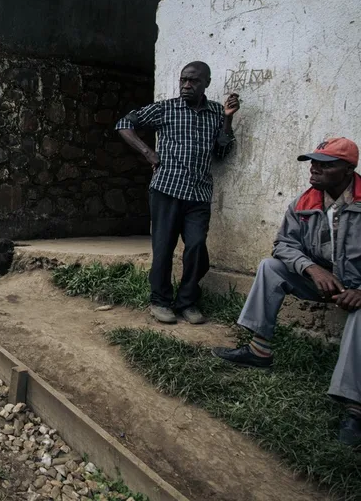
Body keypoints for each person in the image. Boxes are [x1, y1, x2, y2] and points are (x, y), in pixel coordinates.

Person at [213, 137, 361, 447]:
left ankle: (354, 407)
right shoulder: (304, 202)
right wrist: (311, 269)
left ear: (348, 169)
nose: (314, 169)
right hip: (322, 282)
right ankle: (259, 350)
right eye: (313, 162)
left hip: (357, 287)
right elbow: (284, 244)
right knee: (271, 267)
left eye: (325, 164)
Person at [116, 61, 240, 324]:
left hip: (199, 194)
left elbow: (221, 153)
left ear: (206, 82)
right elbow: (124, 124)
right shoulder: (166, 109)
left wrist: (228, 119)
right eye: (183, 79)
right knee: (163, 248)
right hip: (167, 190)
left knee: (195, 247)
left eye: (193, 81)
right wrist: (148, 151)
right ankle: (160, 301)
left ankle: (187, 302)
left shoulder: (217, 113)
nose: (186, 85)